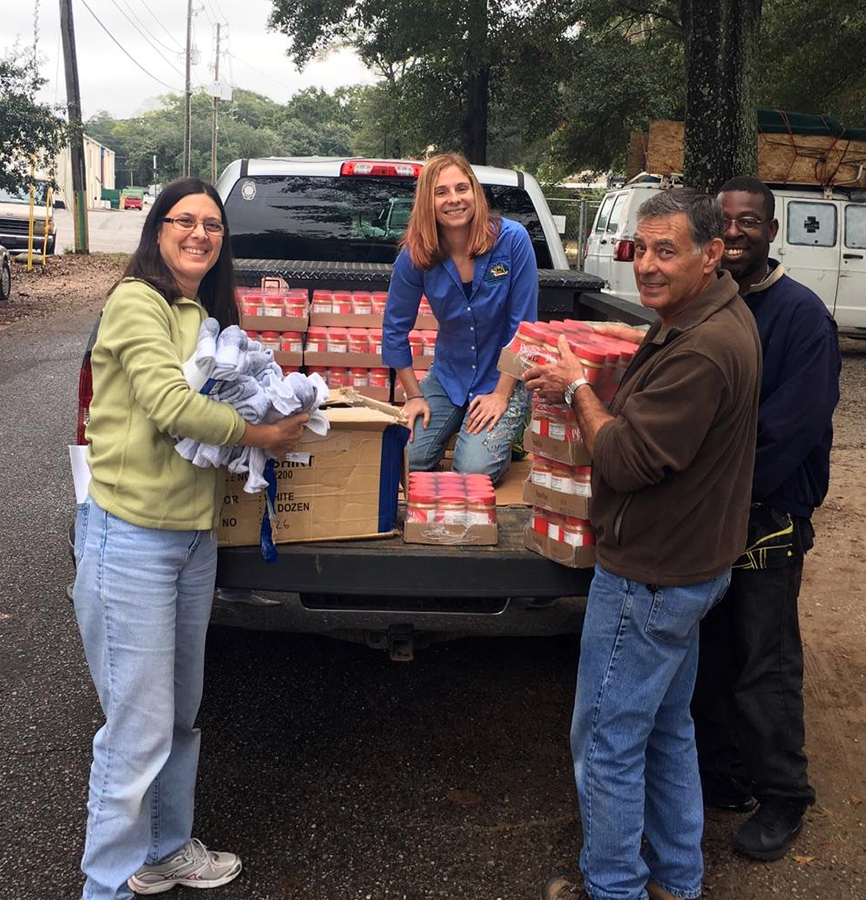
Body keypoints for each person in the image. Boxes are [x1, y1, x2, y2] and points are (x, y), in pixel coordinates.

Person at [72, 178, 308, 900]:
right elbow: (170, 404)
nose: (200, 234)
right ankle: (104, 888)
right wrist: (262, 432)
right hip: (131, 540)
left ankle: (166, 850)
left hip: (191, 541)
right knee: (135, 734)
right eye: (185, 221)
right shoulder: (134, 301)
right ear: (158, 229)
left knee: (177, 717)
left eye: (212, 225)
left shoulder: (201, 313)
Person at [524, 188, 762, 900]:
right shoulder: (710, 314)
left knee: (605, 741)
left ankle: (615, 887)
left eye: (667, 250)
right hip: (692, 565)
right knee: (665, 729)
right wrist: (625, 350)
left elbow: (624, 458)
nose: (647, 267)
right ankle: (677, 880)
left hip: (651, 576)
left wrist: (575, 388)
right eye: (640, 249)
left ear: (711, 253)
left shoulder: (705, 349)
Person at [690, 176, 841, 860]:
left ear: (771, 231)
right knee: (712, 652)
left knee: (765, 661)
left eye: (749, 221)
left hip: (766, 515)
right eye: (725, 222)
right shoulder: (703, 306)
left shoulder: (801, 317)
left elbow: (790, 431)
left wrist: (719, 490)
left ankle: (784, 797)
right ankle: (723, 774)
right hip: (707, 515)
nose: (736, 232)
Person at [382, 153, 538, 484]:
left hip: (503, 378)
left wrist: (500, 395)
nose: (454, 199)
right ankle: (460, 424)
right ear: (428, 201)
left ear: (475, 193)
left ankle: (498, 436)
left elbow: (523, 328)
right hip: (449, 376)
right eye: (441, 192)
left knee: (473, 472)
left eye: (461, 188)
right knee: (405, 461)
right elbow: (394, 329)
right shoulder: (415, 254)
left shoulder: (512, 241)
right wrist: (413, 396)